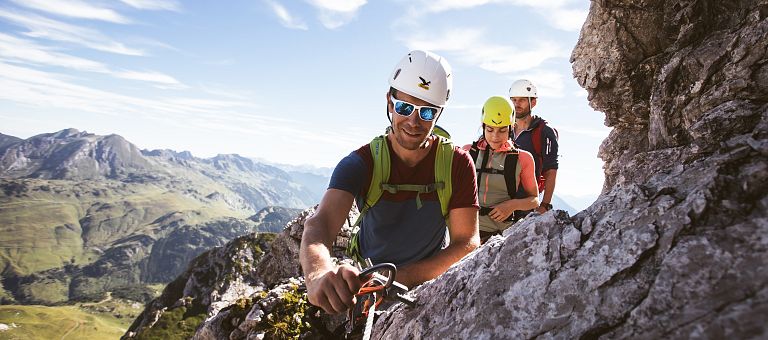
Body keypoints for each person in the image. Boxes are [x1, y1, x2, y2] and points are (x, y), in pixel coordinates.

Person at [300, 50, 480, 315]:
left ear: (439, 114)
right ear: (389, 102)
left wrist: (397, 277)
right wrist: (317, 272)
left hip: (421, 285)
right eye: (405, 107)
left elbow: (466, 242)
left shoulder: (457, 164)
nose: (414, 122)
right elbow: (321, 223)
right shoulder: (361, 163)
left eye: (427, 112)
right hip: (368, 282)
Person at [464, 96, 539, 242]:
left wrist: (511, 205)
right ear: (483, 126)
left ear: (511, 128)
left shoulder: (523, 158)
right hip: (468, 233)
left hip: (500, 236)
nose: (495, 137)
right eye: (490, 129)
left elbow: (534, 200)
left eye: (502, 130)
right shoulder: (468, 152)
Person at [509, 79, 559, 214]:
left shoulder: (544, 132)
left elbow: (551, 171)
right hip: (502, 203)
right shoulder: (503, 129)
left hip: (527, 205)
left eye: (522, 100)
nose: (516, 104)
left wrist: (545, 205)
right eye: (513, 100)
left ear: (533, 102)